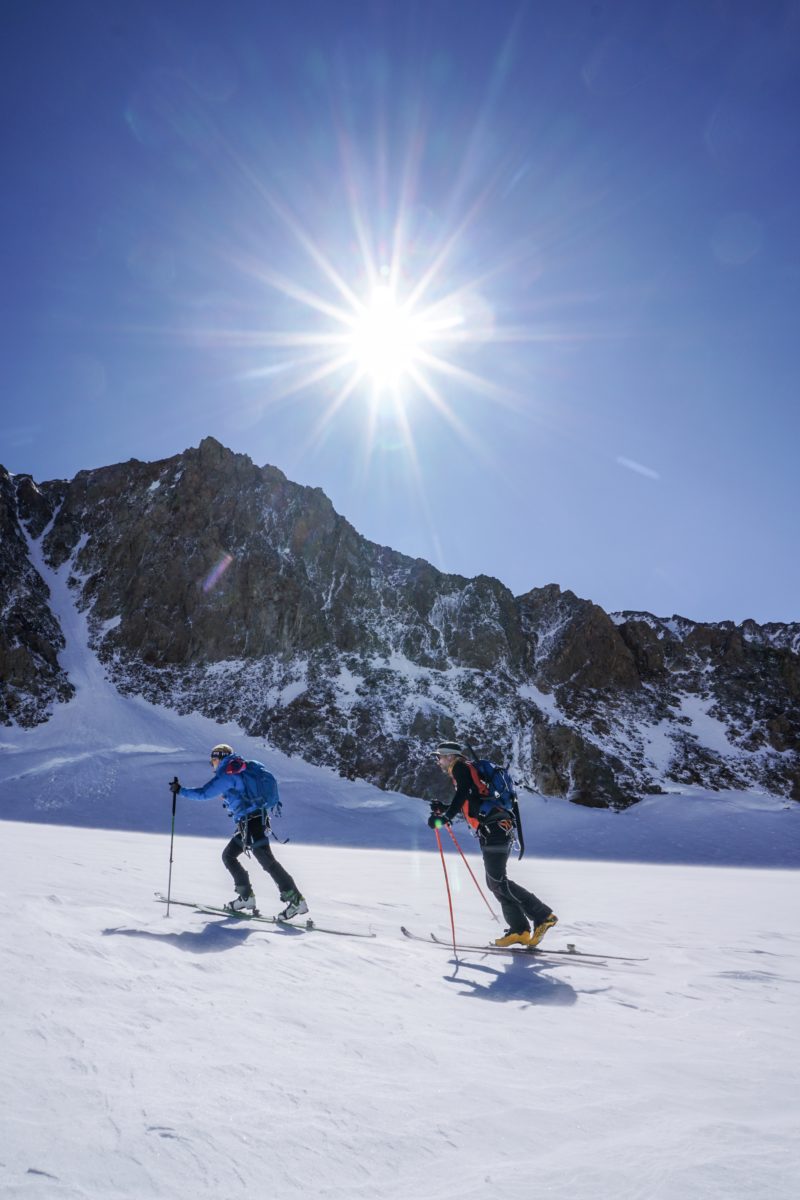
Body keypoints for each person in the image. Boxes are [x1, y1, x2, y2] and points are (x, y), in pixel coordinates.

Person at [428, 741, 558, 948]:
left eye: (440, 757)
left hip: (494, 828)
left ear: (451, 757)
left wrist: (446, 817)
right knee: (495, 882)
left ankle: (543, 915)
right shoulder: (468, 771)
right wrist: (444, 809)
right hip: (496, 827)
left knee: (497, 881)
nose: (438, 761)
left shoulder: (461, 768)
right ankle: (519, 930)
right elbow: (470, 802)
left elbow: (462, 794)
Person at [172, 744, 307, 919]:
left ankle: (296, 900)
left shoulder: (228, 774)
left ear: (220, 758)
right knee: (229, 855)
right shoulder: (243, 767)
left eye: (213, 759)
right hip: (252, 821)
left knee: (267, 862)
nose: (212, 764)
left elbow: (204, 794)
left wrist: (180, 790)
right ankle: (246, 897)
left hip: (251, 822)